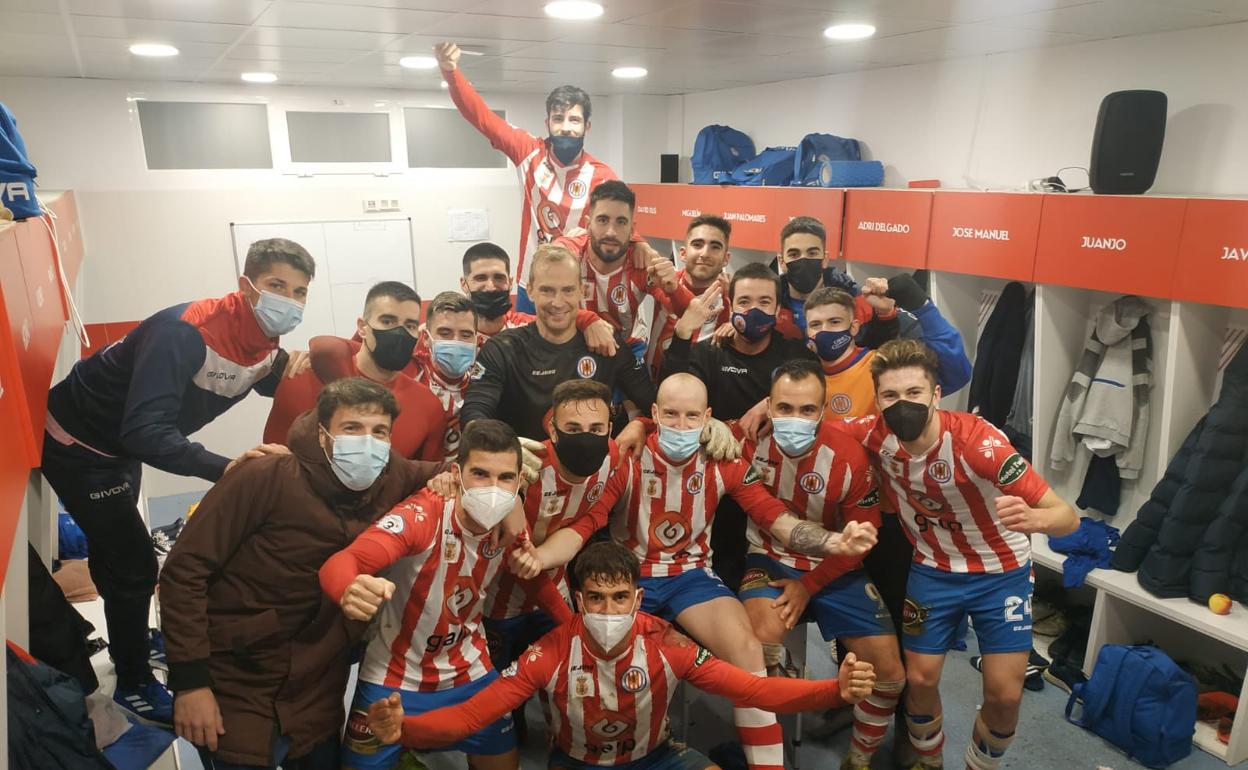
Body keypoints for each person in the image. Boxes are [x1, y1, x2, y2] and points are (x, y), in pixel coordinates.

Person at [42, 237, 314, 721]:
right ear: (246, 286)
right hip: (80, 446)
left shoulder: (263, 338)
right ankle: (133, 680)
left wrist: (294, 372)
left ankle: (130, 633)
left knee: (118, 555)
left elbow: (252, 374)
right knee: (136, 565)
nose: (289, 302)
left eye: (299, 292)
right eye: (277, 286)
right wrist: (226, 469)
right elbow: (146, 432)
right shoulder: (185, 334)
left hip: (118, 446)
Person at [365, 541, 879, 770]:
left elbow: (753, 688)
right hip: (577, 764)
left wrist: (833, 690)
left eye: (619, 598)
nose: (607, 609)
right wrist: (406, 730)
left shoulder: (668, 643)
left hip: (657, 759)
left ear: (638, 598)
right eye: (594, 598)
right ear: (579, 600)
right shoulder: (549, 652)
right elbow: (473, 715)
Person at [160, 378, 449, 769]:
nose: (368, 442)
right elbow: (183, 572)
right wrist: (190, 683)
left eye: (379, 432)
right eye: (352, 429)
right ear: (324, 433)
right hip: (238, 677)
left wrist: (474, 477)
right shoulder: (265, 476)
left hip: (319, 681)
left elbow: (455, 471)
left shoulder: (390, 476)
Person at [610, 372, 878, 770]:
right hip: (629, 576)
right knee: (612, 662)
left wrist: (832, 542)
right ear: (654, 413)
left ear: (708, 417)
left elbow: (774, 517)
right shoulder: (627, 455)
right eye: (670, 414)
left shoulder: (725, 458)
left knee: (749, 653)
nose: (681, 426)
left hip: (691, 575)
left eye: (691, 416)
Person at [836, 339, 1079, 770]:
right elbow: (816, 425)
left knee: (1004, 694)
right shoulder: (876, 433)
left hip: (1001, 571)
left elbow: (1066, 517)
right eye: (890, 396)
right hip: (933, 569)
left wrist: (1037, 520)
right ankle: (930, 762)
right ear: (878, 399)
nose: (901, 404)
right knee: (920, 679)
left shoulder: (978, 443)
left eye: (913, 393)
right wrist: (761, 410)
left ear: (935, 393)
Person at [319, 419, 566, 770]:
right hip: (394, 677)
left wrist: (572, 625)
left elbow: (530, 573)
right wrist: (347, 587)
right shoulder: (423, 514)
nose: (493, 489)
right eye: (480, 474)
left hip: (471, 669)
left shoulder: (510, 514)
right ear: (457, 473)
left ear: (518, 480)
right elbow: (346, 560)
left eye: (505, 478)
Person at [735, 360, 907, 770]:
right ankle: (770, 756)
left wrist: (809, 585)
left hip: (836, 566)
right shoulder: (745, 441)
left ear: (824, 409)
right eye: (785, 408)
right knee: (760, 648)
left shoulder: (848, 456)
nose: (795, 419)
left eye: (807, 410)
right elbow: (682, 425)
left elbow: (860, 543)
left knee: (891, 675)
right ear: (769, 407)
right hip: (769, 556)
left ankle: (859, 760)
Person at [436, 41, 618, 313]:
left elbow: (620, 231)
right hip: (530, 285)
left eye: (574, 120)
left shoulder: (603, 176)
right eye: (558, 119)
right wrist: (451, 73)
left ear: (587, 125)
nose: (565, 127)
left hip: (578, 285)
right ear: (547, 123)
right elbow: (482, 118)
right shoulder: (529, 152)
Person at [484, 379, 623, 673]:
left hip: (555, 590)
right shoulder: (525, 469)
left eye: (596, 429)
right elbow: (513, 553)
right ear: (552, 430)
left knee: (562, 681)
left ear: (609, 430)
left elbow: (591, 518)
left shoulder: (614, 457)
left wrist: (644, 423)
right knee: (499, 686)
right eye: (572, 429)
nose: (586, 438)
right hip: (496, 601)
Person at [461, 244, 657, 442]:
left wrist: (641, 424)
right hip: (524, 468)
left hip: (592, 470)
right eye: (547, 290)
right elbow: (475, 410)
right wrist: (503, 446)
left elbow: (653, 404)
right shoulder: (502, 349)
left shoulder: (605, 343)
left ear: (582, 291)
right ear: (530, 291)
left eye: (568, 290)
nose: (558, 302)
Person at [264, 281, 447, 460]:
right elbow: (273, 465)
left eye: (410, 326)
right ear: (362, 327)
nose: (399, 332)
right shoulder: (301, 381)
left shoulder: (428, 406)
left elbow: (427, 482)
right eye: (387, 321)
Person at [553, 180, 685, 355]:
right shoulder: (569, 253)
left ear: (632, 230)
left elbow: (683, 310)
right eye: (602, 220)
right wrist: (587, 320)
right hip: (574, 346)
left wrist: (674, 289)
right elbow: (544, 301)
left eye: (621, 222)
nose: (611, 232)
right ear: (587, 225)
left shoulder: (642, 261)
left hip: (627, 347)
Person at [460, 241, 616, 355]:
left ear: (510, 282)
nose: (491, 286)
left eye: (499, 278)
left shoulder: (524, 326)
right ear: (464, 284)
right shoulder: (452, 334)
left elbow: (555, 314)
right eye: (480, 278)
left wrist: (590, 320)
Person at [644, 214, 735, 377]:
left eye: (715, 247)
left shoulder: (733, 297)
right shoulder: (664, 279)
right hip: (651, 387)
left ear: (726, 258)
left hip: (699, 395)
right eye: (697, 244)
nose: (705, 253)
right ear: (683, 253)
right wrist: (640, 245)